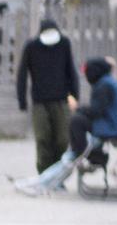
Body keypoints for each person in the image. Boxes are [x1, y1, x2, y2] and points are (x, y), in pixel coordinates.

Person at [16, 56, 117, 195]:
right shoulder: (110, 82)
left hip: (112, 127)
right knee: (75, 132)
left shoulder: (104, 85)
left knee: (76, 126)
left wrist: (77, 108)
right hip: (114, 125)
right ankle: (45, 179)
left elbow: (96, 111)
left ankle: (77, 151)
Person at [17, 17, 79, 176]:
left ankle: (58, 175)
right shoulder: (31, 47)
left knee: (63, 139)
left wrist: (74, 95)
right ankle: (44, 174)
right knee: (43, 138)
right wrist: (22, 100)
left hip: (61, 99)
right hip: (39, 101)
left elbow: (71, 71)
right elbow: (22, 74)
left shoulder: (64, 44)